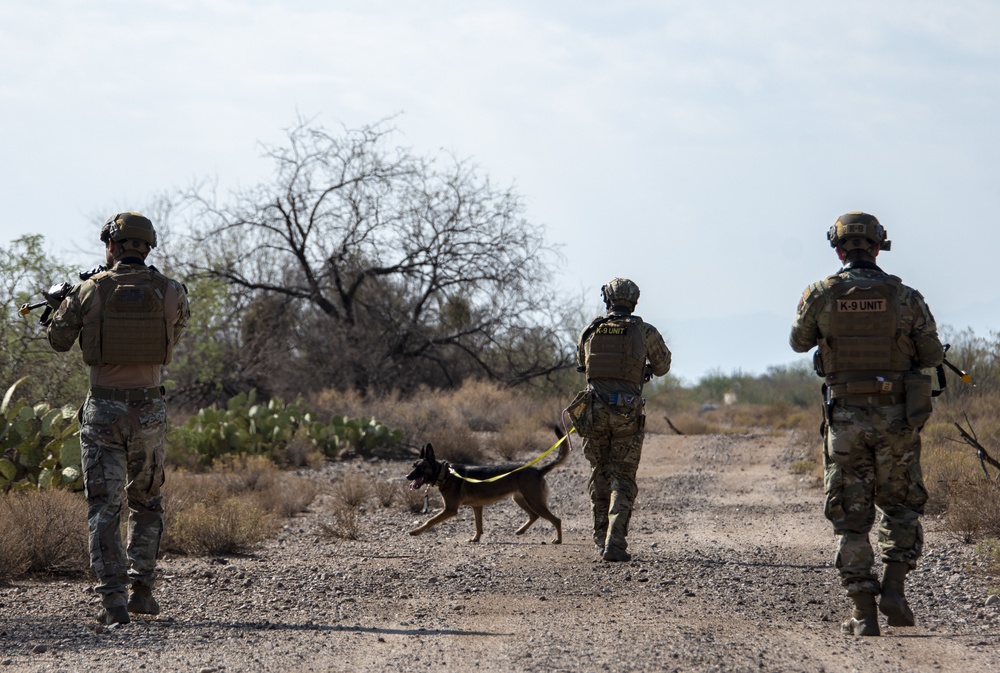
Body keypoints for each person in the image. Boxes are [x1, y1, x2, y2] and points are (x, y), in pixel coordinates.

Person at [789, 212, 944, 637]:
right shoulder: (906, 296)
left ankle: (863, 611)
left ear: (838, 249)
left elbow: (799, 341)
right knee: (901, 505)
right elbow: (930, 355)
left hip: (846, 419)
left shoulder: (820, 294)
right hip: (897, 418)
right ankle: (894, 589)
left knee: (851, 516)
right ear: (878, 246)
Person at [47, 212, 190, 625]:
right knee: (147, 501)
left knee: (103, 506)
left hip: (103, 410)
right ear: (147, 245)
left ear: (111, 245)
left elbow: (58, 341)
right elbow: (172, 337)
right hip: (149, 409)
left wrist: (60, 306)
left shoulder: (88, 290)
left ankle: (113, 602)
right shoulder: (172, 291)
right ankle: (142, 590)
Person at [566, 277, 671, 562]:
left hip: (593, 413)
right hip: (626, 413)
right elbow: (663, 367)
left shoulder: (590, 330)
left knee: (599, 474)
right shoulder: (645, 331)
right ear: (634, 301)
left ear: (608, 301)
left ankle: (601, 541)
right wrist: (642, 368)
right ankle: (615, 542)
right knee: (622, 479)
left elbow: (582, 364)